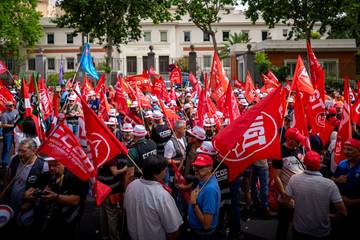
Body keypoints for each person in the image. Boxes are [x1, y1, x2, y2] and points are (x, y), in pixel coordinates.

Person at [22, 156, 89, 240]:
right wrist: (29, 195)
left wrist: (56, 197)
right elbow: (33, 191)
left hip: (65, 222)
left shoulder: (76, 177)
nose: (51, 169)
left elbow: (76, 200)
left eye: (55, 165)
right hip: (43, 220)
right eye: (49, 165)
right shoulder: (46, 176)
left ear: (65, 162)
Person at [285, 151, 347, 240]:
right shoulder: (329, 184)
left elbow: (285, 201)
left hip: (299, 228)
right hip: (321, 231)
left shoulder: (294, 179)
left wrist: (298, 207)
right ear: (319, 165)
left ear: (304, 164)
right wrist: (332, 216)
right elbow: (343, 212)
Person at [124, 155, 183, 240]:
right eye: (164, 169)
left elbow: (126, 209)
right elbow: (173, 230)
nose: (166, 171)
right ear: (155, 174)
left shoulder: (131, 186)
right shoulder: (162, 196)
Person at [272, 128, 306, 240]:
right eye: (297, 140)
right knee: (283, 224)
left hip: (300, 194)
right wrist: (283, 194)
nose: (300, 142)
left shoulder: (299, 148)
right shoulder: (279, 152)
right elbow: (276, 176)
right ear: (289, 139)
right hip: (287, 195)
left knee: (299, 225)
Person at [6, 139, 48, 225]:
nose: (20, 154)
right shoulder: (14, 158)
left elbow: (44, 188)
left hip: (27, 207)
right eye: (19, 150)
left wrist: (30, 203)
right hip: (11, 202)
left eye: (23, 151)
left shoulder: (43, 165)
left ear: (34, 151)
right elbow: (7, 177)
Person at [332, 138, 360, 239]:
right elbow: (333, 179)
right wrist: (336, 180)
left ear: (359, 151)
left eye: (350, 149)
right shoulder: (342, 163)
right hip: (339, 207)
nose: (346, 152)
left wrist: (351, 202)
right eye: (344, 149)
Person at [188, 154, 221, 240]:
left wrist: (194, 203)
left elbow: (207, 225)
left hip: (202, 234)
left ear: (210, 168)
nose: (196, 169)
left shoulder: (210, 190)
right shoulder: (203, 179)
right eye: (195, 166)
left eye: (200, 167)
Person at [1, 101, 19, 167]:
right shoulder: (4, 115)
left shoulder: (15, 111)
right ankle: (4, 163)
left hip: (15, 133)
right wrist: (13, 125)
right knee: (7, 148)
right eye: (10, 105)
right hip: (7, 133)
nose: (12, 107)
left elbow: (18, 117)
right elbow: (3, 125)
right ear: (6, 107)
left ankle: (16, 162)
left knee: (16, 147)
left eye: (13, 105)